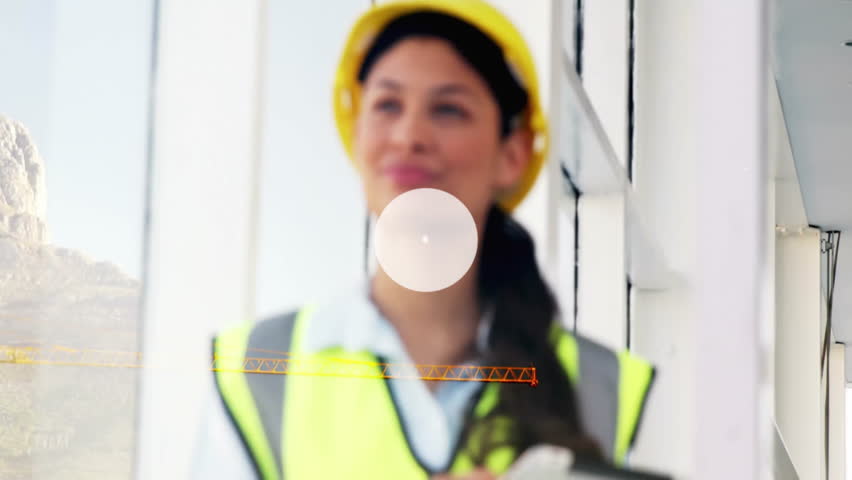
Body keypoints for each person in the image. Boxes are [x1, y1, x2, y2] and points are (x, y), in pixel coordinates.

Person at [196, 1, 655, 479]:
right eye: (387, 104)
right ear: (357, 136)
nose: (409, 134)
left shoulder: (604, 386)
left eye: (448, 109)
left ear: (512, 154)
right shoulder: (256, 372)